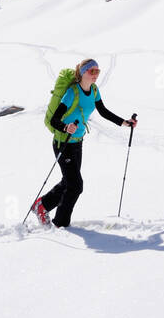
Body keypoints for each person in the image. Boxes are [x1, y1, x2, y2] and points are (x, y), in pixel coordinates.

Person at [33, 60, 136, 228]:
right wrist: (66, 127)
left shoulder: (94, 91)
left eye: (97, 71)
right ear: (83, 73)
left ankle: (41, 206)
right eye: (92, 71)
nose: (95, 75)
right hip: (63, 143)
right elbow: (54, 120)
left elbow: (103, 111)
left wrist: (124, 122)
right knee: (76, 186)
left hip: (77, 143)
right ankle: (61, 224)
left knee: (69, 181)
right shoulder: (72, 93)